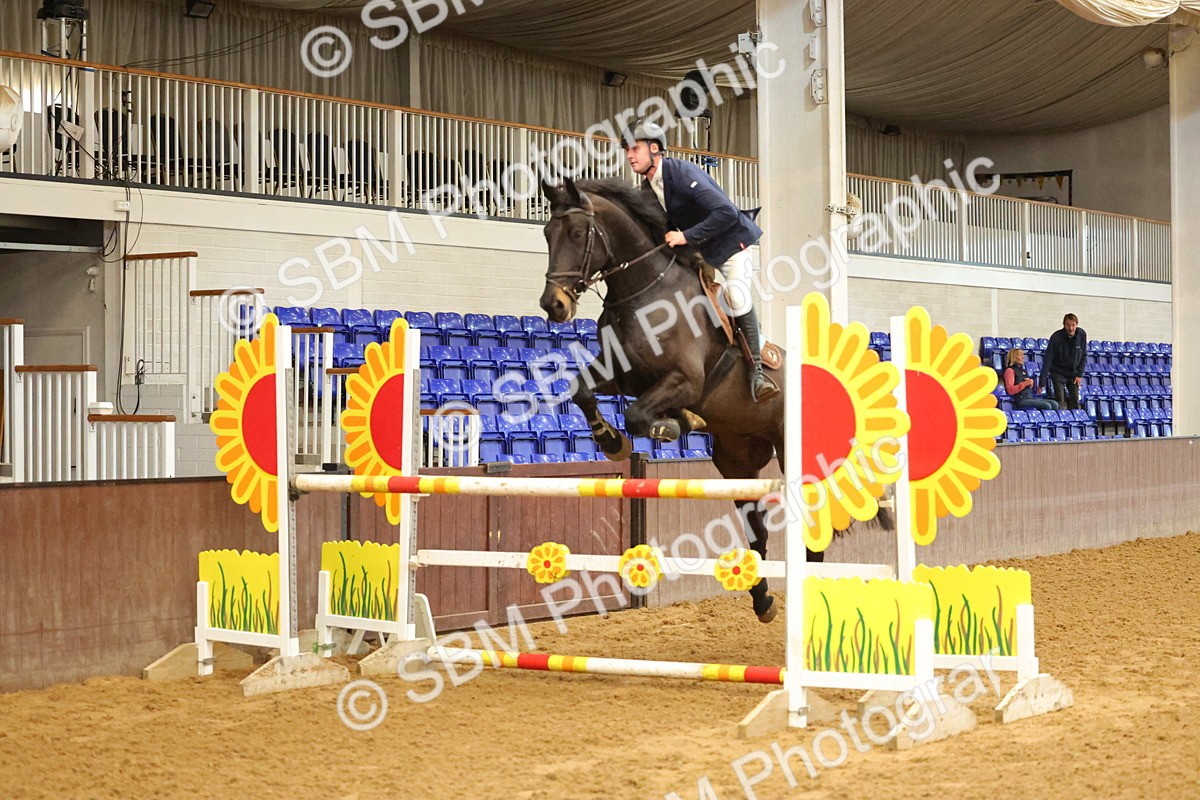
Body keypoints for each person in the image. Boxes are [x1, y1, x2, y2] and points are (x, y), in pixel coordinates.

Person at [620, 119, 779, 402]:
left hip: (730, 245)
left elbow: (725, 212)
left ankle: (757, 373)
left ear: (654, 149)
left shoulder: (683, 173)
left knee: (736, 296)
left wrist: (685, 236)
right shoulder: (648, 189)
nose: (629, 155)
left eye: (634, 148)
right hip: (699, 251)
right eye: (626, 150)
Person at [1044, 313, 1087, 411]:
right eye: (1068, 325)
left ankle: (1074, 418)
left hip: (1073, 373)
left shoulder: (1081, 334)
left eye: (1073, 325)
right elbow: (1048, 358)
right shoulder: (1056, 337)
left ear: (1077, 324)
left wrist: (1079, 374)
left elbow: (1083, 355)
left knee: (1075, 398)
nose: (1071, 328)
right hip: (1058, 371)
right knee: (1060, 397)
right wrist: (1042, 380)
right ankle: (1061, 417)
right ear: (1064, 325)